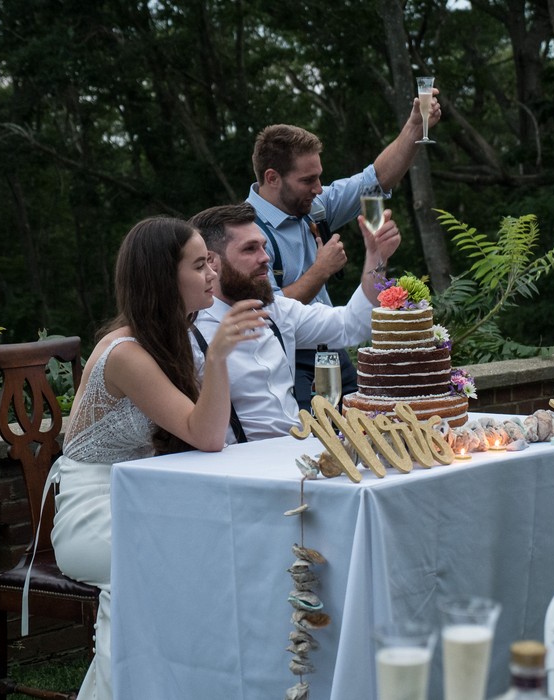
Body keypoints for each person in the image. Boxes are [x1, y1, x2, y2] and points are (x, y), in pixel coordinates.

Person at [50, 218, 265, 699]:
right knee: (154, 571)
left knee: (213, 553)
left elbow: (201, 437)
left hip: (140, 499)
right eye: (199, 264)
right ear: (163, 280)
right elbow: (207, 435)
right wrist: (218, 360)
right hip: (93, 515)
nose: (213, 272)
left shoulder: (172, 336)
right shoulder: (126, 353)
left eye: (210, 261)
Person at [247, 92, 441, 409]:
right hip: (292, 366)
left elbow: (375, 180)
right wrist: (320, 270)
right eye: (308, 179)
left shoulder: (315, 207)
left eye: (320, 176)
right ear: (272, 178)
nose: (319, 188)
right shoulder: (245, 235)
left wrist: (413, 129)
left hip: (336, 352)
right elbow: (268, 318)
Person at [188, 202, 401, 440]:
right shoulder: (189, 330)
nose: (265, 257)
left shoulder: (277, 311)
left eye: (264, 247)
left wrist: (376, 257)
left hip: (299, 452)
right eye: (250, 249)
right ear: (211, 261)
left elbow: (351, 324)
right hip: (237, 468)